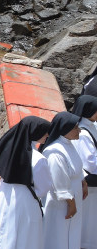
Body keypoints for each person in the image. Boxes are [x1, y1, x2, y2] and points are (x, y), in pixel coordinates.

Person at [0, 116, 52, 249]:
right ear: (35, 132)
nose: (47, 135)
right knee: (23, 235)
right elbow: (43, 188)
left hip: (4, 194)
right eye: (45, 131)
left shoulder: (7, 150)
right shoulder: (39, 159)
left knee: (1, 228)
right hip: (25, 200)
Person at [41, 111, 87, 249]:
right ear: (65, 129)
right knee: (59, 234)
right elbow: (59, 182)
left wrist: (83, 182)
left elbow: (77, 166)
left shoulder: (68, 144)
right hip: (61, 203)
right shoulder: (54, 152)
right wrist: (71, 204)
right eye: (75, 127)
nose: (79, 130)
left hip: (74, 198)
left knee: (71, 232)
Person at [72, 96, 97, 248]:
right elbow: (90, 162)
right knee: (89, 219)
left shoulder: (91, 126)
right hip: (91, 183)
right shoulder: (83, 132)